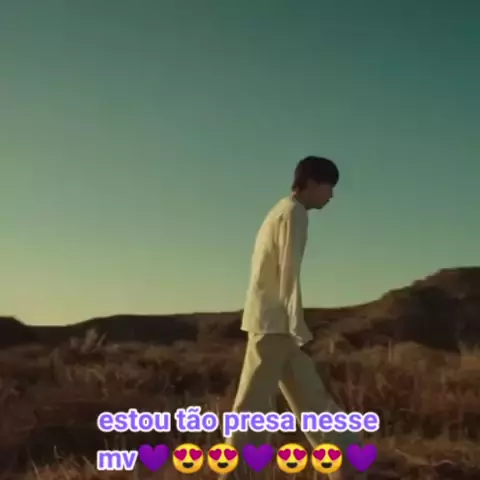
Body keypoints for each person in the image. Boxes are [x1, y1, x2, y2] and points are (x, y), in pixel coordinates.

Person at [221, 156, 363, 479]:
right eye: (328, 187)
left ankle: (348, 464)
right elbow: (289, 275)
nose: (331, 195)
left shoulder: (280, 211)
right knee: (253, 409)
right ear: (311, 183)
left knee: (311, 400)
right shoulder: (293, 213)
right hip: (273, 326)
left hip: (275, 326)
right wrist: (298, 328)